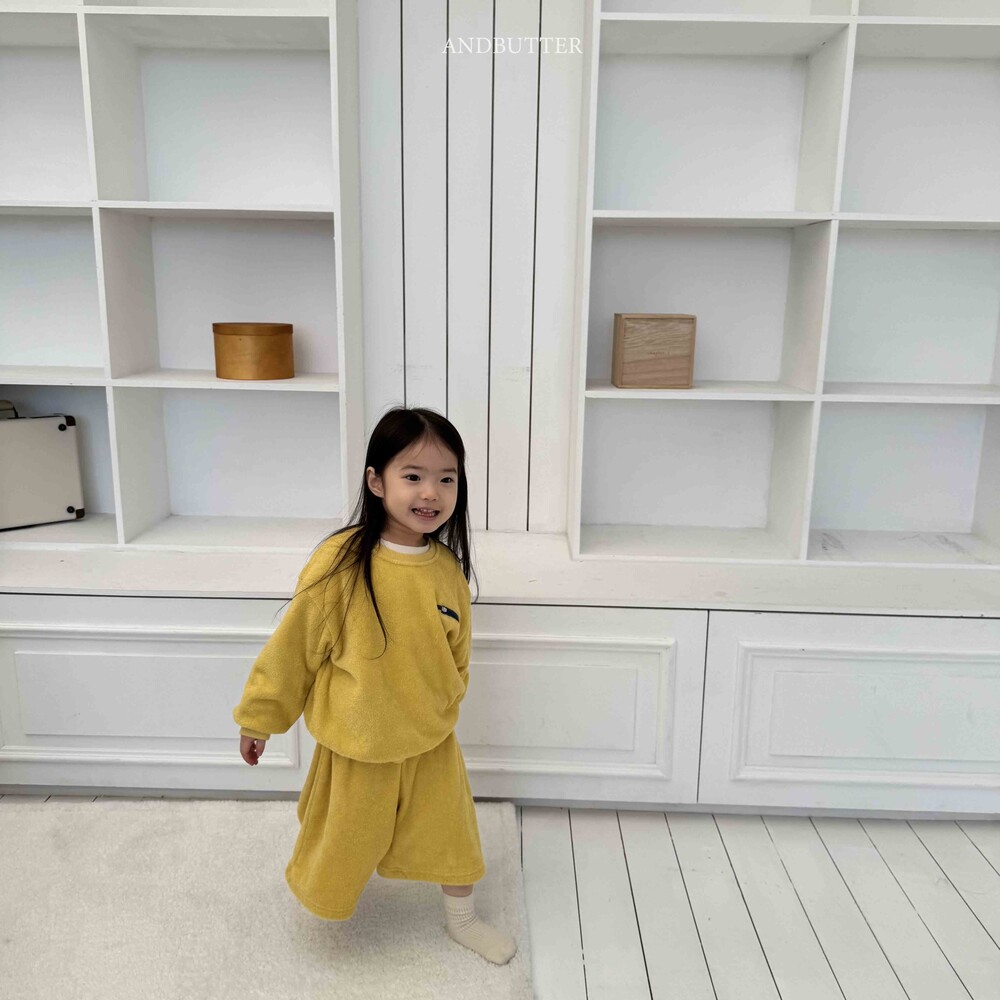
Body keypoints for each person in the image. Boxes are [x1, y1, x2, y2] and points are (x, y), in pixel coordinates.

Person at [233, 405, 516, 965]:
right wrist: (259, 716)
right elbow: (295, 646)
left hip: (430, 737)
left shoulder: (446, 569)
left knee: (452, 833)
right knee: (345, 840)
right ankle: (326, 901)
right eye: (413, 476)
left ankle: (462, 918)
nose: (430, 492)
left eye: (446, 478)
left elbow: (458, 652)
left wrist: (446, 700)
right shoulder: (340, 562)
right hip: (360, 741)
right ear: (376, 481)